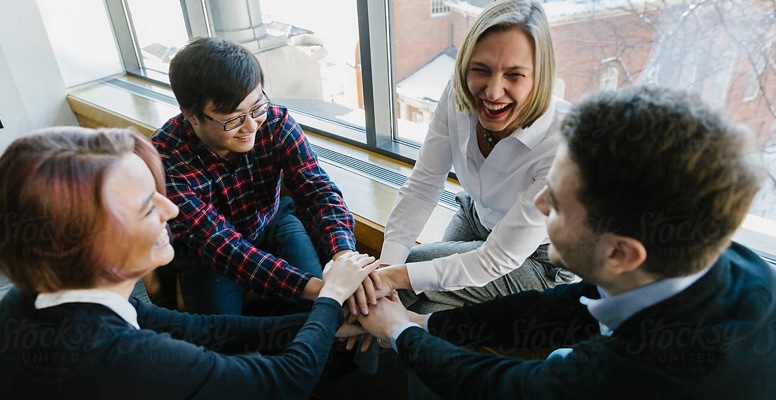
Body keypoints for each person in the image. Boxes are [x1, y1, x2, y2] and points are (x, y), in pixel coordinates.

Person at [355, 85, 776, 399]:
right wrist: (420, 325)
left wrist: (399, 332)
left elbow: (498, 387)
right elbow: (564, 309)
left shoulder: (633, 377)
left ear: (619, 253)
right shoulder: (713, 258)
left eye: (556, 203)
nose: (537, 202)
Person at [0, 127, 379, 399]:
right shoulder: (126, 356)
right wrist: (330, 298)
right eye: (148, 205)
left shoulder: (32, 296)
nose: (172, 208)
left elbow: (205, 329)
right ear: (88, 242)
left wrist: (331, 322)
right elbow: (285, 380)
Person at [375, 0, 575, 314]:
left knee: (423, 304)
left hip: (538, 259)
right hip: (477, 217)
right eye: (480, 70)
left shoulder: (566, 143)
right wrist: (383, 274)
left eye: (514, 75)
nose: (493, 92)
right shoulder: (456, 95)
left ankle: (335, 350)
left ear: (540, 77)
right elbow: (423, 186)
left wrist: (389, 277)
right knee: (394, 288)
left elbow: (498, 258)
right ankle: (347, 353)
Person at [152, 37, 358, 315]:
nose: (250, 125)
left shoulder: (274, 122)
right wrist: (322, 291)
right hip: (208, 253)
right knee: (221, 336)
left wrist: (345, 257)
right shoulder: (167, 160)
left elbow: (318, 190)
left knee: (329, 310)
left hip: (270, 221)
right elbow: (224, 247)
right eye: (233, 118)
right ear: (190, 115)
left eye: (256, 107)